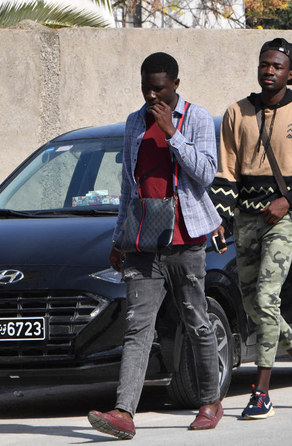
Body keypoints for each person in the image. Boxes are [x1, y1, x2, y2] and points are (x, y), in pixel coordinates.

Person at [88, 52, 223, 439]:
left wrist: (172, 134)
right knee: (137, 327)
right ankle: (124, 413)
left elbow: (206, 173)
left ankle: (210, 401)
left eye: (160, 88)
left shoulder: (195, 118)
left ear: (176, 85)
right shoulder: (133, 122)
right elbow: (129, 188)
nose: (152, 95)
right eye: (147, 87)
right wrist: (119, 239)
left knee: (196, 321)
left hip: (187, 240)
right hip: (143, 242)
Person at [210, 38, 292, 419]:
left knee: (266, 301)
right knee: (254, 304)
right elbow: (226, 173)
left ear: (290, 73)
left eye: (277, 66)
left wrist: (290, 200)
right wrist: (221, 217)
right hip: (245, 220)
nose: (269, 70)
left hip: (282, 221)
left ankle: (261, 391)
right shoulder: (237, 113)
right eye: (264, 64)